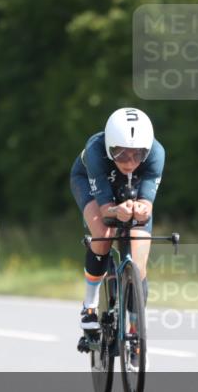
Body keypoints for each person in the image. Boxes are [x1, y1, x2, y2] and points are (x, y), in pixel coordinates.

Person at [69, 108, 164, 342]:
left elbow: (146, 205)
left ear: (147, 151)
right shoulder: (95, 150)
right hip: (89, 182)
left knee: (139, 261)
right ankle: (89, 306)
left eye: (137, 155)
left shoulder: (156, 153)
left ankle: (135, 325)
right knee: (104, 234)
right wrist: (116, 211)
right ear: (109, 147)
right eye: (120, 154)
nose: (129, 162)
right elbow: (105, 210)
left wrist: (141, 209)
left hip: (132, 190)